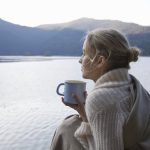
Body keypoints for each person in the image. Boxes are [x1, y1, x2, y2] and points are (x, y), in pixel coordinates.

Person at [50, 29, 150, 150]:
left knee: (66, 129)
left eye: (84, 53)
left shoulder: (101, 99)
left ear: (100, 61)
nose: (80, 60)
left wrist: (90, 116)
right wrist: (85, 113)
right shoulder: (133, 85)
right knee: (71, 123)